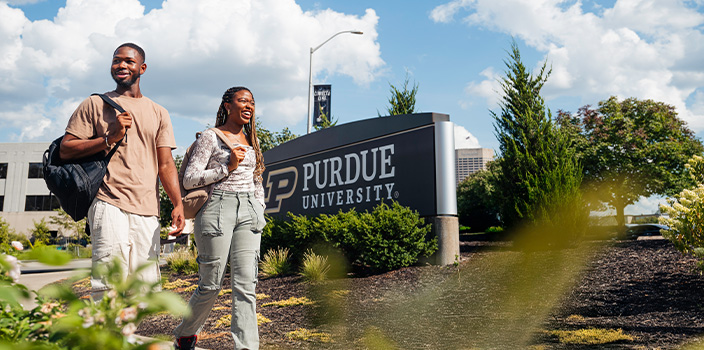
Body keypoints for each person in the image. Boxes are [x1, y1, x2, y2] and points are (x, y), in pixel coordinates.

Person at [59, 43, 185, 298]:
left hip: (147, 210)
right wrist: (110, 137)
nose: (121, 66)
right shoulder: (94, 104)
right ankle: (106, 337)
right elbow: (66, 149)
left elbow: (166, 164)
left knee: (144, 289)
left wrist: (177, 203)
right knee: (108, 285)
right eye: (117, 61)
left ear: (142, 68)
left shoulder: (159, 112)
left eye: (128, 61)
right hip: (108, 202)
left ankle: (130, 337)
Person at [173, 86, 266, 350]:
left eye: (252, 102)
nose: (248, 106)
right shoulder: (210, 138)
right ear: (227, 105)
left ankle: (246, 346)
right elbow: (190, 179)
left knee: (247, 283)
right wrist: (227, 167)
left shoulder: (252, 140)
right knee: (211, 283)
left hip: (249, 211)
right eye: (242, 101)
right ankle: (186, 332)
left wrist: (259, 205)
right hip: (216, 208)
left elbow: (257, 177)